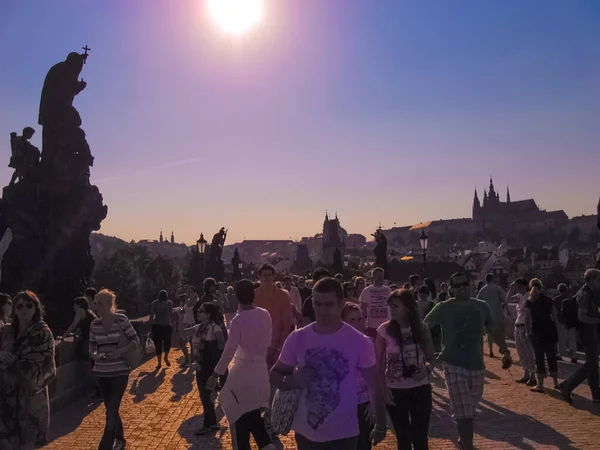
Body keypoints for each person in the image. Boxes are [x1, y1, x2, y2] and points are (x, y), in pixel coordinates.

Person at [270, 278, 388, 449]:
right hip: (306, 434)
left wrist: (381, 425)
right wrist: (292, 381)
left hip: (344, 434)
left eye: (328, 304)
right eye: (318, 304)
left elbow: (374, 385)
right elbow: (274, 374)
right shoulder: (298, 338)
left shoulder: (359, 342)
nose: (322, 310)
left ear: (341, 304)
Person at [424, 272, 512, 450]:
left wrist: (505, 351)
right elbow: (424, 326)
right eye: (457, 285)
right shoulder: (444, 307)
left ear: (470, 285)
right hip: (452, 363)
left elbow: (493, 328)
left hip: (477, 364)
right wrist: (428, 353)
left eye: (465, 283)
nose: (462, 287)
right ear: (452, 289)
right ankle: (468, 446)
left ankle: (463, 440)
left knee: (469, 411)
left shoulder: (481, 306)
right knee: (463, 412)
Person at [205, 280, 277, 450]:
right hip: (260, 372)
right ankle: (266, 444)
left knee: (238, 414)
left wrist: (215, 375)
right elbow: (268, 341)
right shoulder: (265, 314)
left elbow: (229, 351)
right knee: (251, 415)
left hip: (243, 373)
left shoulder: (238, 321)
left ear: (237, 297)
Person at [377, 289, 434, 450]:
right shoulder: (384, 330)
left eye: (396, 306)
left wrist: (427, 370)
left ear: (407, 308)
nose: (391, 310)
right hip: (395, 390)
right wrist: (383, 388)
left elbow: (431, 357)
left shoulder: (421, 328)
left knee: (420, 437)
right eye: (390, 306)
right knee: (403, 438)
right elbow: (378, 362)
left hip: (420, 388)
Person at [0, 291, 56, 450]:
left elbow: (42, 365)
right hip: (5, 404)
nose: (24, 309)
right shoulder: (5, 332)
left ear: (36, 309)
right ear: (14, 310)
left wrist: (7, 364)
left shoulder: (43, 333)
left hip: (31, 402)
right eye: (19, 306)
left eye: (29, 305)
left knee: (28, 445)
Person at [89, 289, 140, 450]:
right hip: (101, 372)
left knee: (111, 410)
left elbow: (135, 340)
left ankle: (104, 446)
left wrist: (119, 352)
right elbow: (92, 346)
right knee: (111, 408)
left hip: (120, 371)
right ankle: (120, 439)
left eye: (99, 302)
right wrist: (95, 355)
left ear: (109, 304)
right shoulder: (94, 324)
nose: (96, 306)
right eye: (95, 302)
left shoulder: (121, 320)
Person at [182, 303, 226, 435]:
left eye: (201, 311)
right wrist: (179, 319)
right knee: (205, 397)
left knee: (206, 396)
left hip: (208, 366)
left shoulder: (215, 328)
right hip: (201, 365)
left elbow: (222, 346)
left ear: (208, 314)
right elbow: (183, 333)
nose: (198, 313)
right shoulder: (200, 327)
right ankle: (211, 423)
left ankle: (209, 423)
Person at [559, 268, 600, 404]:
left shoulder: (586, 292)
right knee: (591, 365)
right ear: (592, 280)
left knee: (593, 365)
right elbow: (582, 316)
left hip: (590, 333)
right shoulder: (585, 295)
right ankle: (567, 385)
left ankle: (596, 395)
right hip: (587, 333)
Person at [342, 302, 375, 450]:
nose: (357, 323)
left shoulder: (368, 343)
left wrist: (374, 402)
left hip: (363, 403)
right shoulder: (334, 343)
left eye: (359, 319)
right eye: (352, 319)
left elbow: (376, 376)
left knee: (363, 444)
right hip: (341, 405)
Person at [525, 279, 559, 393]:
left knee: (539, 358)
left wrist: (527, 331)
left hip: (536, 332)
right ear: (541, 286)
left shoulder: (530, 300)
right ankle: (556, 383)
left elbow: (527, 318)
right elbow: (555, 317)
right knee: (551, 356)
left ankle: (540, 385)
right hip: (549, 331)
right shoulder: (549, 300)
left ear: (530, 287)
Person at [64, 296, 100, 397]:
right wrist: (73, 334)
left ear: (79, 305)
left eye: (74, 305)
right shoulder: (89, 312)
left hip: (90, 341)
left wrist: (63, 336)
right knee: (95, 365)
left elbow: (73, 324)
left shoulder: (80, 311)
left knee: (93, 366)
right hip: (95, 340)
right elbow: (82, 327)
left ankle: (99, 391)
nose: (73, 307)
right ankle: (100, 390)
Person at [507, 278, 536, 386]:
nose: (518, 288)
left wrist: (528, 329)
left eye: (519, 286)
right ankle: (526, 374)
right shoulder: (520, 296)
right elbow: (507, 300)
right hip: (517, 325)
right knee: (521, 351)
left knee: (528, 351)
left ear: (525, 286)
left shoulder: (529, 296)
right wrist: (511, 288)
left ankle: (533, 375)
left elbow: (529, 313)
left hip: (524, 326)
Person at [476, 273, 507, 357]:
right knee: (501, 332)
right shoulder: (498, 288)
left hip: (487, 316)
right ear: (492, 279)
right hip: (498, 314)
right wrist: (507, 310)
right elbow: (505, 299)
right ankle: (502, 348)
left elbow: (477, 302)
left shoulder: (482, 290)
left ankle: (490, 350)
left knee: (489, 334)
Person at [359, 267, 392, 339]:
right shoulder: (367, 290)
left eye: (381, 276)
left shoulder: (388, 290)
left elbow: (392, 306)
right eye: (378, 276)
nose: (380, 278)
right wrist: (361, 325)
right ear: (373, 277)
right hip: (372, 325)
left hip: (386, 324)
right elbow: (363, 309)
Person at [149, 289, 174, 370]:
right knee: (167, 343)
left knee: (158, 345)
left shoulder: (154, 303)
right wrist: (174, 325)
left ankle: (159, 363)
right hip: (166, 326)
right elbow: (171, 315)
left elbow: (151, 316)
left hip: (156, 326)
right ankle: (166, 357)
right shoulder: (169, 303)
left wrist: (150, 327)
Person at [181, 286, 199, 366]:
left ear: (194, 293)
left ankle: (192, 361)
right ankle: (187, 359)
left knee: (192, 344)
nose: (189, 293)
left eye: (191, 292)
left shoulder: (197, 302)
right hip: (186, 325)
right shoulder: (186, 302)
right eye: (188, 292)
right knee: (181, 342)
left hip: (193, 325)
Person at [552, 283, 569, 360]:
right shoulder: (570, 298)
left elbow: (553, 311)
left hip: (559, 320)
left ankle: (560, 355)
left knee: (560, 339)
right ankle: (573, 356)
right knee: (571, 339)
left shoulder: (555, 299)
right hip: (569, 321)